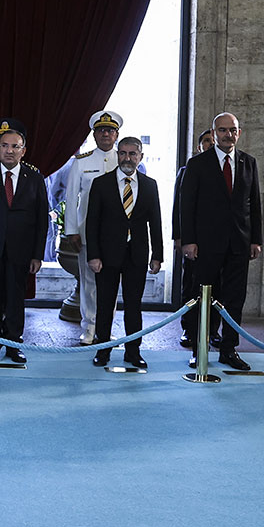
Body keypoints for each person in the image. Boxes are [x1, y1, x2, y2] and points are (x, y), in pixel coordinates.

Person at [179, 112, 262, 371]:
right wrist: (189, 241)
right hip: (206, 245)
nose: (228, 135)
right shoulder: (198, 164)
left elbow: (255, 205)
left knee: (235, 299)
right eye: (223, 130)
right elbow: (187, 206)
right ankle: (199, 349)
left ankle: (228, 350)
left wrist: (255, 240)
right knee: (202, 297)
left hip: (239, 243)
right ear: (214, 134)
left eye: (232, 130)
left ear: (239, 133)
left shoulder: (249, 163)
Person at [0, 119, 48, 363]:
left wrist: (37, 254)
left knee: (15, 298)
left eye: (15, 146)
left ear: (23, 150)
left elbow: (41, 219)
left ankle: (13, 343)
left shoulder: (34, 176)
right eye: (5, 146)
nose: (9, 151)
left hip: (21, 250)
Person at [86, 137, 163, 367]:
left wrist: (157, 256)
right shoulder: (101, 184)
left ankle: (133, 352)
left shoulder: (150, 185)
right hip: (106, 257)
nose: (127, 158)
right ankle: (103, 351)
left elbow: (156, 223)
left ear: (140, 157)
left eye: (132, 154)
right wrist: (93, 255)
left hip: (136, 256)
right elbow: (92, 223)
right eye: (123, 153)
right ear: (117, 155)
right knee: (104, 305)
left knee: (133, 306)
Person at [62, 111, 122, 345]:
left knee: (111, 284)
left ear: (117, 135)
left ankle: (106, 327)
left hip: (117, 235)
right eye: (101, 130)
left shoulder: (123, 160)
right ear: (95, 135)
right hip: (87, 233)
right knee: (88, 283)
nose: (105, 134)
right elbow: (71, 197)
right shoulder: (82, 162)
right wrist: (72, 231)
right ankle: (89, 328)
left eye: (110, 130)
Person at [173, 128, 220, 348]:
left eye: (213, 141)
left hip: (217, 242)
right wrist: (179, 237)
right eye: (206, 142)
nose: (210, 145)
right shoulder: (187, 169)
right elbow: (179, 207)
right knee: (191, 287)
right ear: (199, 147)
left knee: (217, 288)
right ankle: (189, 329)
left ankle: (213, 330)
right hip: (193, 240)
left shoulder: (225, 170)